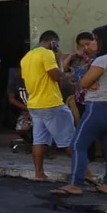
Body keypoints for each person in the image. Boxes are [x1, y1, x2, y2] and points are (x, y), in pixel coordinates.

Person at [52, 25, 107, 197]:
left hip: (99, 107)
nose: (93, 43)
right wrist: (93, 82)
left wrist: (89, 81)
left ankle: (75, 184)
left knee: (77, 144)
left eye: (96, 39)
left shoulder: (102, 60)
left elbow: (83, 83)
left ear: (104, 40)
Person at [20, 31, 75, 181]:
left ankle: (39, 174)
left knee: (39, 140)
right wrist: (58, 59)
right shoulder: (47, 54)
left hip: (35, 104)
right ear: (52, 43)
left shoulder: (26, 57)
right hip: (51, 103)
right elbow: (56, 77)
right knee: (69, 139)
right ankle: (85, 173)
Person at [64, 31, 97, 110]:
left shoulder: (100, 57)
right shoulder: (77, 58)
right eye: (82, 46)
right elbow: (63, 68)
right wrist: (71, 55)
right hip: (80, 97)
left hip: (95, 97)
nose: (85, 48)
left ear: (94, 42)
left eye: (87, 44)